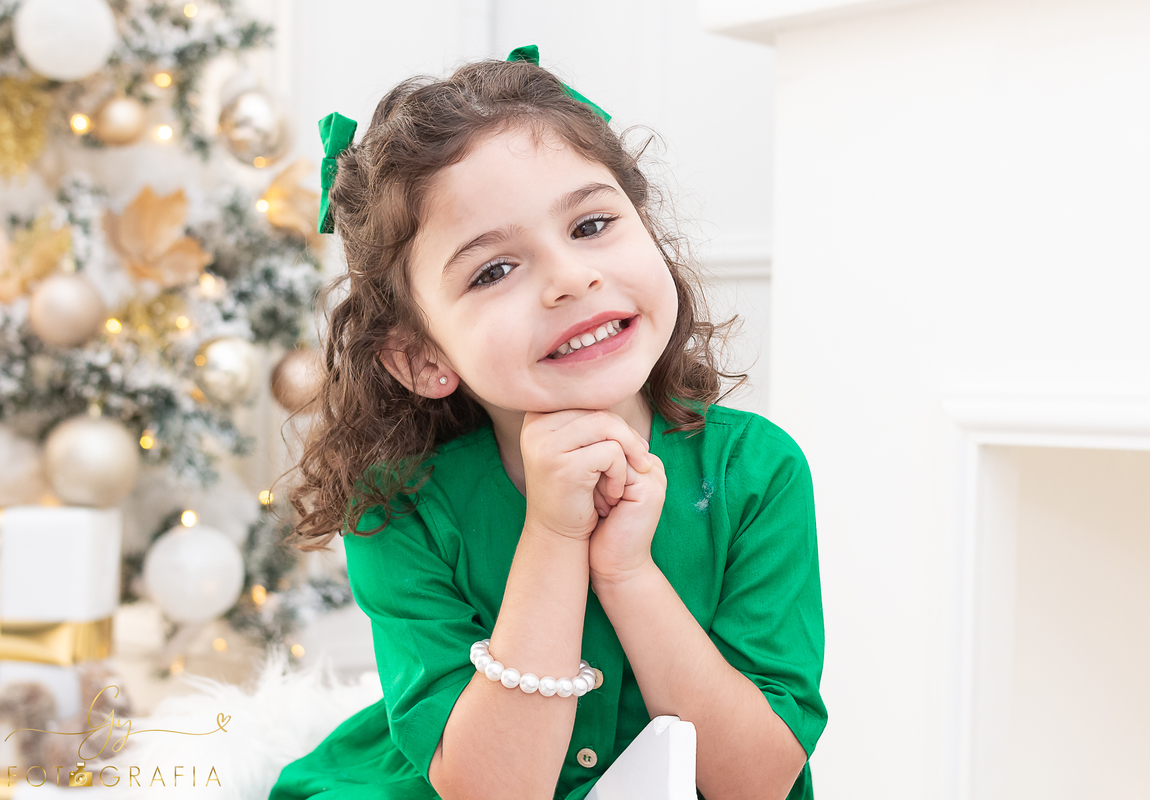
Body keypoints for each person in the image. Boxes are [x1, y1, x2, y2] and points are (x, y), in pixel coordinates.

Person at [269, 46, 826, 800]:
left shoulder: (756, 474)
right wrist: (555, 536)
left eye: (592, 225)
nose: (571, 278)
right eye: (494, 270)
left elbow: (754, 781)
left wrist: (627, 574)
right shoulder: (398, 508)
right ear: (422, 356)